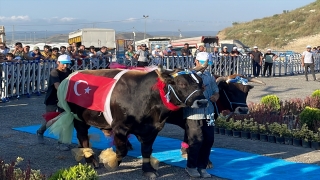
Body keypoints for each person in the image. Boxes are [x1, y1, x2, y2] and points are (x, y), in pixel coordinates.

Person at [184, 45, 219, 178]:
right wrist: (199, 91)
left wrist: (216, 96)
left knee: (209, 139)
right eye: (203, 63)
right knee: (196, 140)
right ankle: (191, 166)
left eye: (208, 63)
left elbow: (216, 89)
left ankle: (202, 167)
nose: (205, 66)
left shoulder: (209, 75)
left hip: (209, 113)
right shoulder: (188, 76)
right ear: (196, 62)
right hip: (194, 114)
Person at [37, 54, 72, 151]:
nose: (65, 66)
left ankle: (61, 143)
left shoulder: (69, 71)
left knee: (64, 120)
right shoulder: (54, 72)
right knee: (49, 120)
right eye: (63, 64)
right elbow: (58, 86)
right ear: (58, 62)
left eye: (67, 64)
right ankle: (40, 132)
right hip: (53, 99)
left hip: (64, 99)